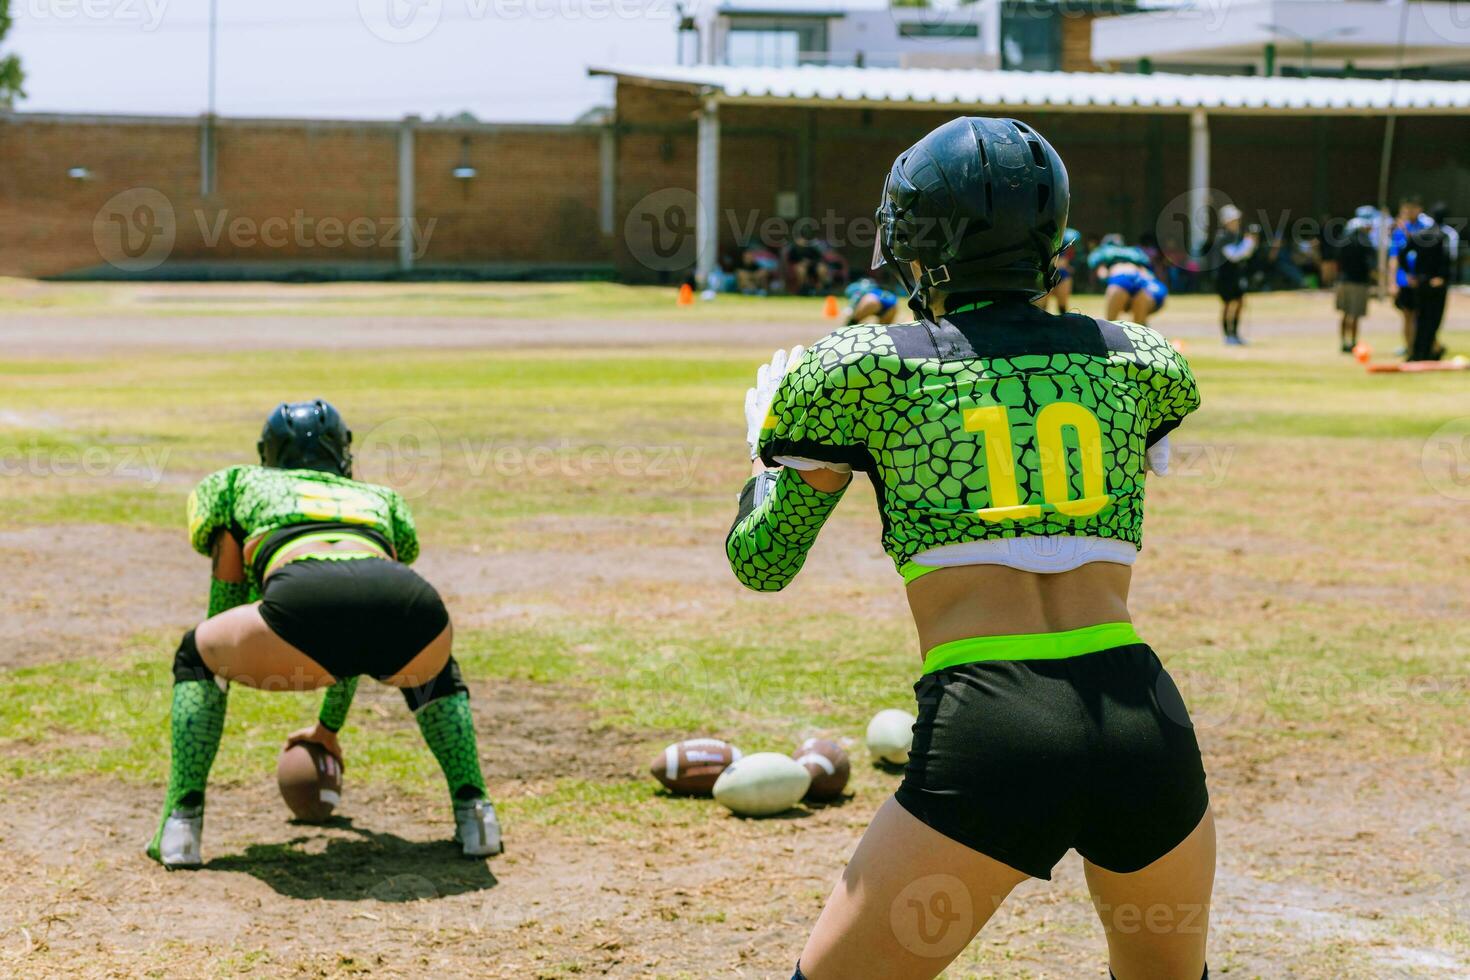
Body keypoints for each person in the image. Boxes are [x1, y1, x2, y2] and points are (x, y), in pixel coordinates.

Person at [727, 117, 1213, 980]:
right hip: (1144, 720)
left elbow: (762, 565)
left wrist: (765, 463)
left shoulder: (859, 368)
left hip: (996, 721)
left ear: (915, 241)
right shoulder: (1139, 356)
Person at [148, 400, 503, 868]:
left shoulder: (236, 485)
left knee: (198, 653)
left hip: (303, 598)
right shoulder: (379, 498)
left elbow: (226, 607)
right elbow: (358, 627)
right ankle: (477, 815)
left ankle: (181, 825)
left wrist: (231, 656)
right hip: (415, 607)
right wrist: (327, 729)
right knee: (433, 671)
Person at [1403, 213, 1451, 361]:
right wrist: (1442, 278)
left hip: (1420, 282)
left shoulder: (1417, 236)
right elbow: (1447, 259)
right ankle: (1429, 351)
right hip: (1436, 284)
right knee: (1434, 319)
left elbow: (1402, 253)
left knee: (1420, 317)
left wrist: (1410, 274)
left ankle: (1416, 352)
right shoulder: (1442, 236)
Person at [1089, 239, 1168, 326]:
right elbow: (1148, 274)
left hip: (1120, 278)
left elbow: (1102, 272)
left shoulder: (1104, 253)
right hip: (1141, 280)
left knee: (1110, 325)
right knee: (1140, 327)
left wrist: (1104, 281)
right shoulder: (1134, 253)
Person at [1389, 197, 1431, 354]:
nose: (1408, 212)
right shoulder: (1399, 231)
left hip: (1421, 278)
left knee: (1422, 316)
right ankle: (1410, 347)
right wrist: (1392, 282)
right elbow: (1394, 258)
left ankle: (1424, 346)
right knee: (1407, 315)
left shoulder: (1425, 228)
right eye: (1406, 209)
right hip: (1404, 280)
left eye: (1412, 208)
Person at [1210, 205, 1257, 346]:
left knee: (1240, 302)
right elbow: (1234, 256)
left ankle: (1235, 334)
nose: (1236, 222)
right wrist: (1249, 242)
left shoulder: (1237, 236)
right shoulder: (1223, 237)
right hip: (1224, 276)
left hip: (1236, 275)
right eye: (1233, 220)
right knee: (1227, 305)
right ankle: (1227, 336)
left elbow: (1245, 254)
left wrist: (1249, 243)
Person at [1335, 216, 1376, 353]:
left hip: (1342, 281)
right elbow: (1371, 265)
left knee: (1345, 314)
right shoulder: (1366, 243)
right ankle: (1353, 342)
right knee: (1355, 315)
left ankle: (1343, 342)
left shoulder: (1343, 242)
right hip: (1359, 282)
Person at [1036, 227, 1081, 312]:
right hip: (1044, 274)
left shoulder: (1069, 237)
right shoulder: (1044, 235)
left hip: (1061, 274)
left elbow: (1069, 261)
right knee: (1040, 308)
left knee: (1062, 307)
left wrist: (1069, 266)